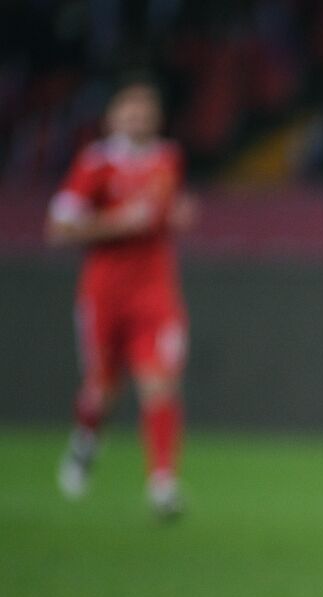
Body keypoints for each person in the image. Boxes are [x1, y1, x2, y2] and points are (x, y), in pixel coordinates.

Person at [48, 77, 196, 519]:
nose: (138, 117)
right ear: (112, 118)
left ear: (157, 117)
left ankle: (163, 483)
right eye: (129, 110)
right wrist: (118, 222)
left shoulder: (170, 159)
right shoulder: (95, 164)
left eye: (145, 110)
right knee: (102, 390)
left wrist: (178, 215)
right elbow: (59, 229)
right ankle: (86, 440)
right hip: (104, 293)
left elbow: (165, 212)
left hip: (155, 292)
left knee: (160, 383)